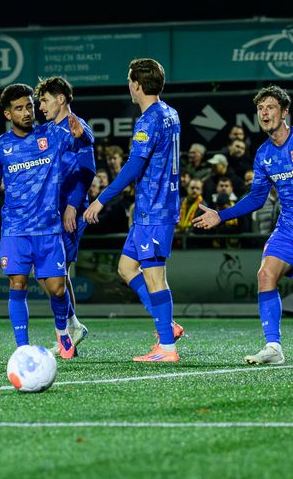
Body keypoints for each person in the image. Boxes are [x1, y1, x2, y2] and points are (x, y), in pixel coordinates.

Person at [193, 85, 293, 366]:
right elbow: (256, 198)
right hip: (288, 229)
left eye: (270, 107)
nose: (264, 113)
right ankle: (273, 347)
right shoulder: (263, 154)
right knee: (265, 274)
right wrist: (221, 214)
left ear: (284, 112)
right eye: (260, 109)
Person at [0, 82, 89, 360]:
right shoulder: (0, 147)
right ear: (8, 114)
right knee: (17, 283)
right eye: (19, 108)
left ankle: (64, 331)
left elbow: (84, 141)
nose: (28, 112)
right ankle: (22, 348)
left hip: (48, 229)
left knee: (57, 288)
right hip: (15, 229)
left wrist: (82, 134)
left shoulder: (51, 134)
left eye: (29, 105)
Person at [83, 58, 184, 361]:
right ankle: (169, 326)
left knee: (155, 277)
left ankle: (167, 347)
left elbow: (134, 166)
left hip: (154, 210)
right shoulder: (171, 114)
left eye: (129, 80)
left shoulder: (149, 120)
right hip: (152, 209)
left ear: (137, 84)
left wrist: (101, 199)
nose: (128, 85)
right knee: (127, 268)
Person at [35, 76, 96, 351]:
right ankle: (71, 324)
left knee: (57, 272)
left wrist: (73, 204)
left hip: (68, 211)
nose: (40, 106)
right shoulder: (48, 129)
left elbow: (88, 167)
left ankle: (69, 328)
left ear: (61, 99)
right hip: (49, 210)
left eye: (45, 100)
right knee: (47, 272)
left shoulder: (76, 126)